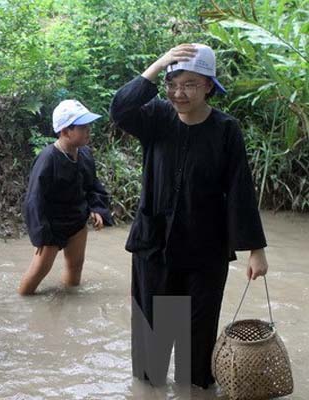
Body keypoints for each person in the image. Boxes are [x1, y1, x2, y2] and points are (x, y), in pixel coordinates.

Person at [109, 43, 269, 388]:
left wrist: (255, 249)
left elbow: (240, 189)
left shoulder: (226, 130)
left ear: (209, 86)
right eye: (172, 84)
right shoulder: (155, 118)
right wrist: (160, 63)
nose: (178, 94)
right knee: (150, 352)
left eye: (190, 85)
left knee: (197, 356)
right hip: (154, 247)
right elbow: (120, 109)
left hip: (205, 251)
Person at [19, 100, 113, 295]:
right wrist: (41, 234)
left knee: (76, 266)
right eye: (83, 127)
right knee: (39, 271)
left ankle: (68, 301)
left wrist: (98, 209)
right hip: (52, 226)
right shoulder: (48, 159)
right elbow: (34, 200)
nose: (88, 131)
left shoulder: (85, 154)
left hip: (77, 221)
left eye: (88, 126)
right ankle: (23, 298)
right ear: (65, 131)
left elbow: (93, 185)